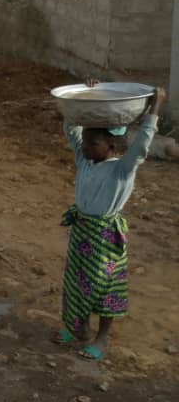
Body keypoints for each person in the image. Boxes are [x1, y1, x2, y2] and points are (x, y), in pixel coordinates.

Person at [53, 84, 166, 361]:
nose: (87, 146)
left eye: (94, 143)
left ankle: (101, 339)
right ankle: (76, 327)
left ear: (111, 146)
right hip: (82, 232)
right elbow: (72, 130)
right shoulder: (85, 161)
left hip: (105, 237)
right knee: (75, 283)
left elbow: (142, 144)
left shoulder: (123, 170)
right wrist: (85, 98)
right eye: (88, 141)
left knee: (105, 288)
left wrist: (155, 108)